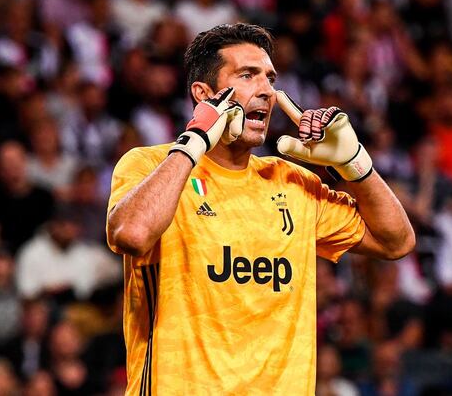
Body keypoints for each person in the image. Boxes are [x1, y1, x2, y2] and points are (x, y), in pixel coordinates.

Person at [106, 23, 414, 392]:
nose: (266, 91)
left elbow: (397, 241)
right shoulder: (152, 167)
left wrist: (355, 164)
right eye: (248, 75)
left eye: (270, 78)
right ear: (204, 95)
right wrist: (193, 143)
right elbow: (132, 234)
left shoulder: (292, 182)